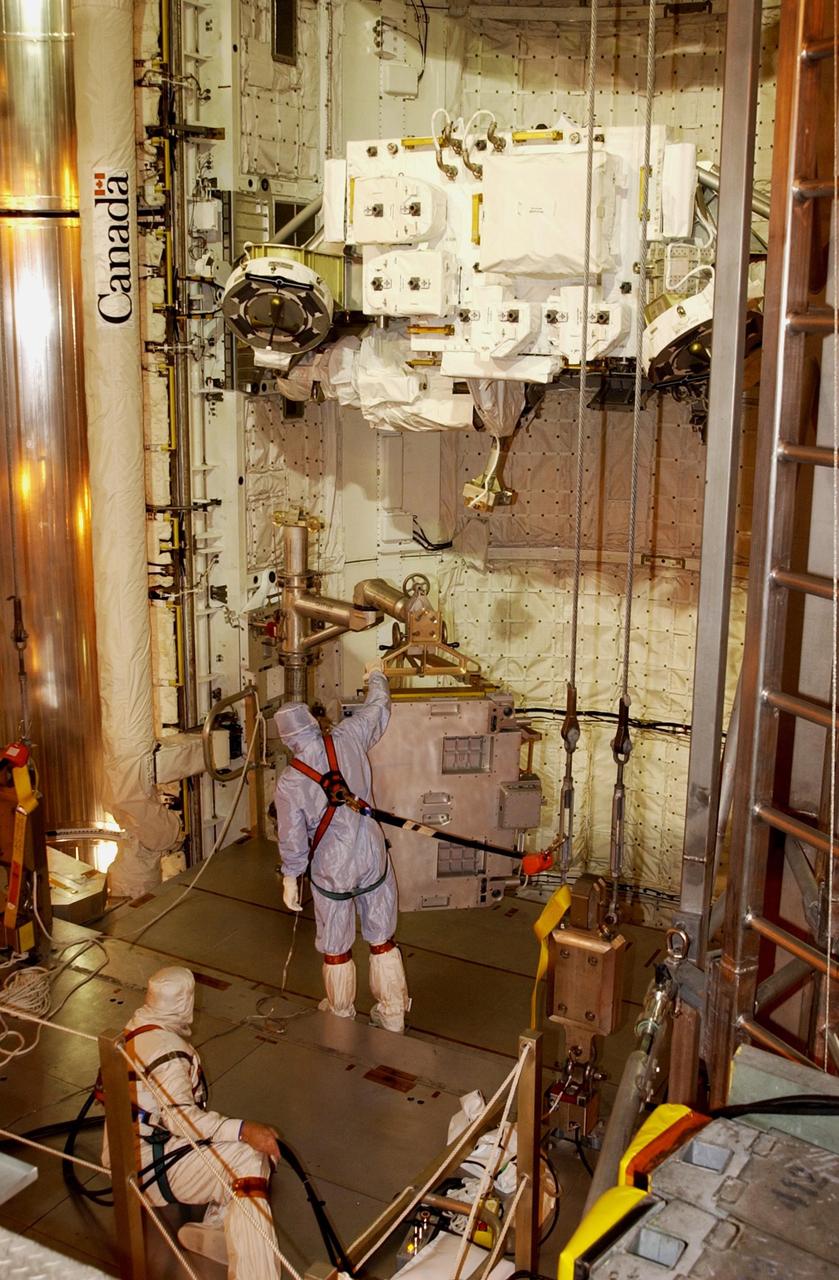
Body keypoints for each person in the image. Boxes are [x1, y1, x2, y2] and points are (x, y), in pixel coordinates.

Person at [103, 966, 284, 1278]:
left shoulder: (136, 1030)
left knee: (232, 1141)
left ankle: (217, 1227)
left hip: (130, 1154)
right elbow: (181, 1120)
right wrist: (245, 1131)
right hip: (147, 1167)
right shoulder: (169, 1051)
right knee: (250, 1159)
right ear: (185, 1002)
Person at [273, 665, 410, 1032]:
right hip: (371, 854)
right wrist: (375, 676)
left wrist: (290, 877)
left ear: (288, 740)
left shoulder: (290, 783)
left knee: (336, 944)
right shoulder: (349, 736)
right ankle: (393, 1013)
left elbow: (292, 838)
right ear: (315, 724)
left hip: (331, 869)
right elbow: (379, 707)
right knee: (381, 937)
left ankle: (341, 1013)